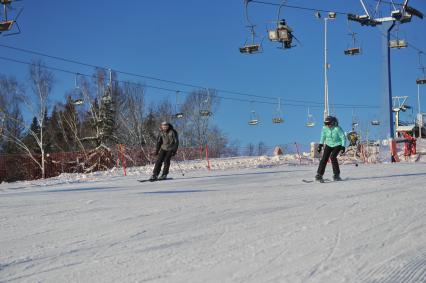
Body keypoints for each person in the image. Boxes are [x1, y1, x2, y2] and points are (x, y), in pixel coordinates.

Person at [316, 116, 346, 182]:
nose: (327, 125)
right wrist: (320, 145)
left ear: (333, 123)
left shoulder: (337, 129)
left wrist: (343, 147)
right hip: (328, 144)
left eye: (329, 124)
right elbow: (323, 136)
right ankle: (319, 175)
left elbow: (343, 138)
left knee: (332, 157)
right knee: (324, 158)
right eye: (326, 124)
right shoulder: (324, 128)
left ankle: (336, 175)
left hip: (337, 144)